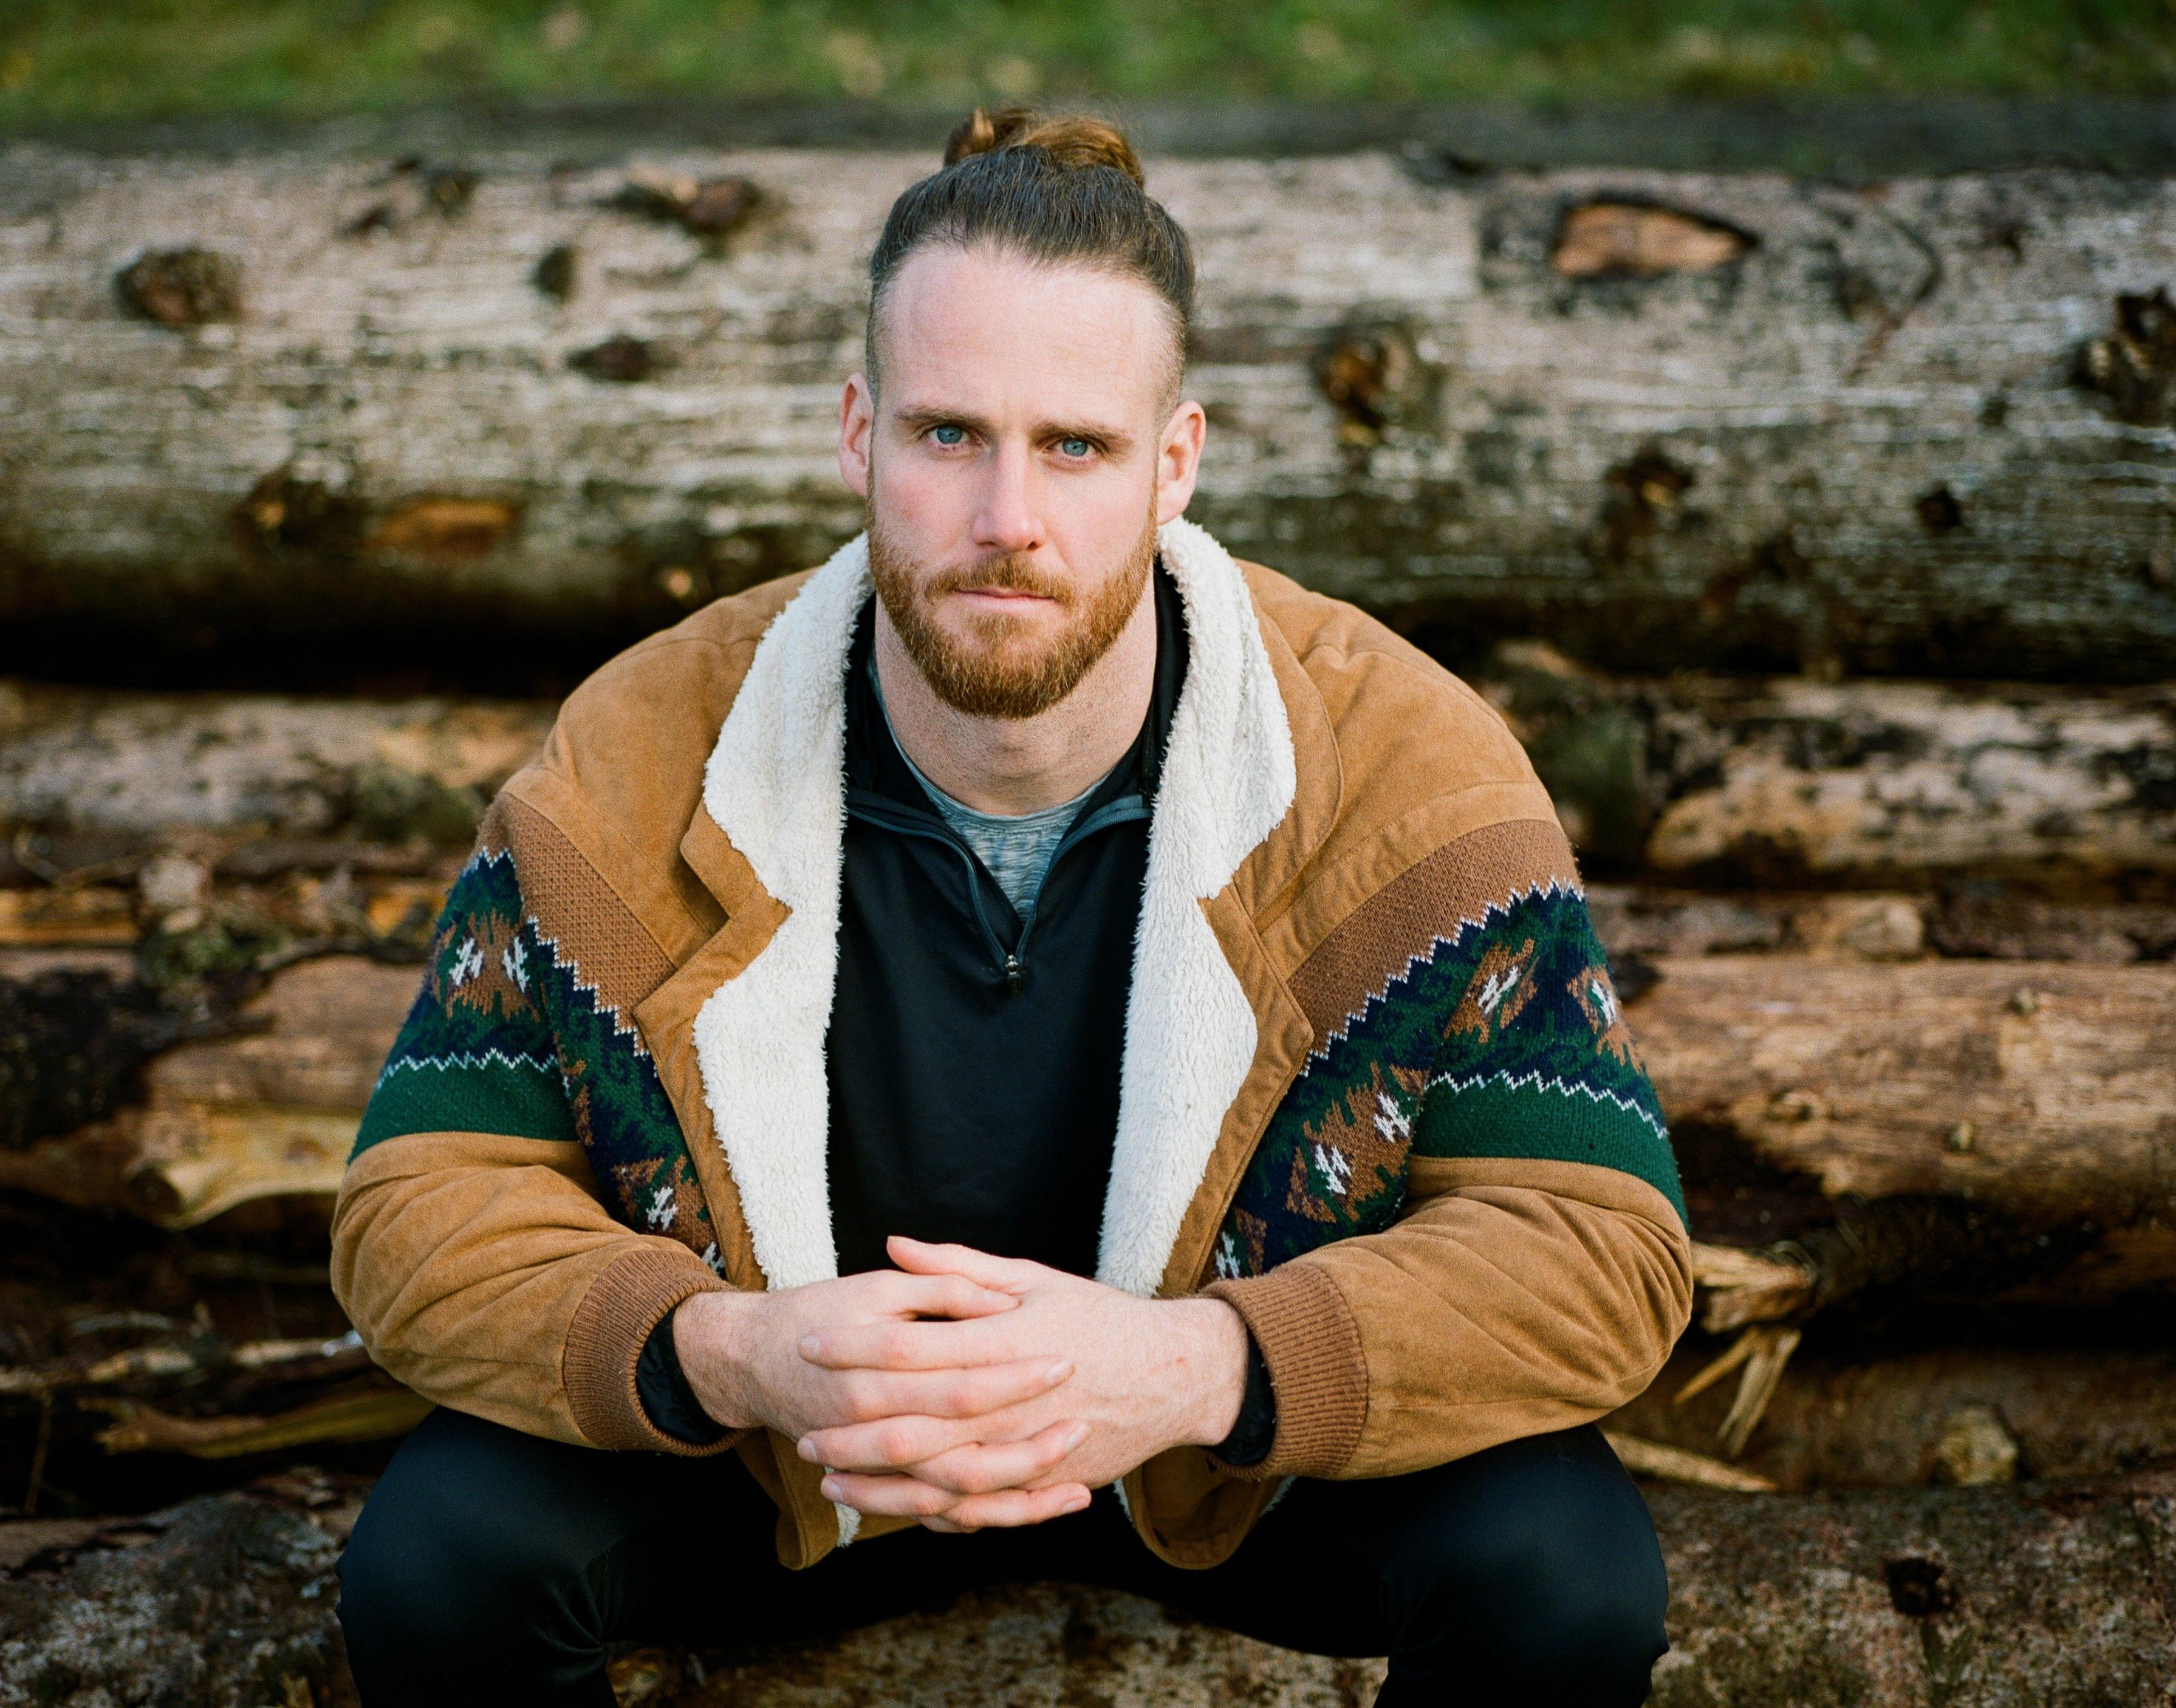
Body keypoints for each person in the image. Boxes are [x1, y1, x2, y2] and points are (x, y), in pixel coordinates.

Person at [330, 108, 1691, 1707]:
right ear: (857, 433)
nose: (1007, 524)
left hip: (1217, 1468)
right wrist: (736, 1352)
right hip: (788, 1462)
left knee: (1570, 1576)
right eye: (948, 436)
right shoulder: (642, 751)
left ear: (1175, 462)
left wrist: (1200, 1369)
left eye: (1077, 447)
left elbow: (1605, 1251)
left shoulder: (1405, 765)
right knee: (434, 1561)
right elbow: (413, 1205)